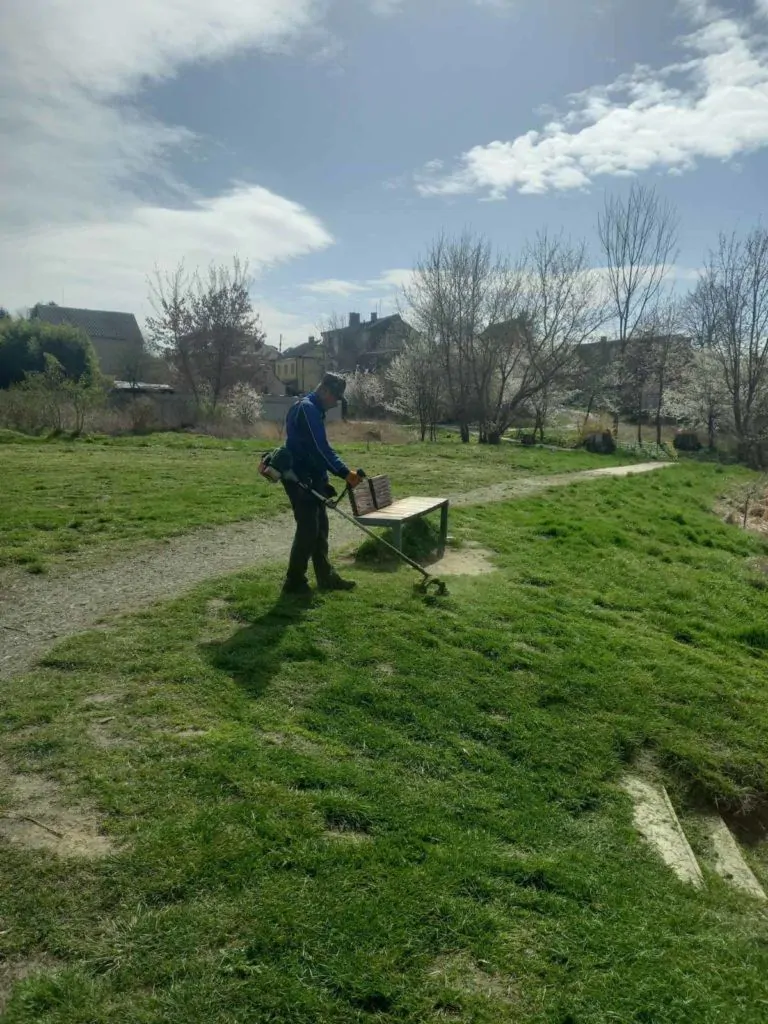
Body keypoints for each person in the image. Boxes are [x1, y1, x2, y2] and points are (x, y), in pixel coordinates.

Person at [282, 373, 364, 596]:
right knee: (308, 529)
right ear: (325, 390)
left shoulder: (314, 410)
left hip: (311, 477)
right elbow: (320, 449)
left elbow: (315, 451)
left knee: (320, 528)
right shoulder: (307, 409)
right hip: (299, 478)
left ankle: (325, 577)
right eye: (336, 397)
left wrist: (324, 482)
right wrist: (345, 473)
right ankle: (294, 582)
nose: (337, 402)